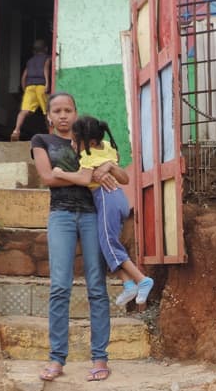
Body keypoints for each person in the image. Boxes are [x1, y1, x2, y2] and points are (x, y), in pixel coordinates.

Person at [28, 92, 112, 382]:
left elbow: (108, 168)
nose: (63, 115)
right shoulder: (41, 140)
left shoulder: (89, 139)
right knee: (60, 287)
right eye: (57, 111)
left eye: (68, 110)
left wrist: (100, 170)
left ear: (75, 113)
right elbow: (47, 178)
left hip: (92, 215)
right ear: (49, 116)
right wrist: (86, 176)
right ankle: (56, 359)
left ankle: (100, 358)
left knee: (97, 287)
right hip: (61, 215)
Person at [60, 114, 154, 307]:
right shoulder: (107, 147)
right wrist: (110, 164)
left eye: (76, 141)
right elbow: (123, 177)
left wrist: (60, 173)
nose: (72, 144)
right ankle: (128, 284)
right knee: (105, 245)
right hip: (118, 198)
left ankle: (142, 279)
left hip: (106, 199)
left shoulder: (88, 156)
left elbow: (83, 179)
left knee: (110, 244)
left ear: (91, 143)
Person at [10, 39, 51, 142]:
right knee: (47, 111)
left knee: (24, 111)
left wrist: (25, 89)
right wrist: (47, 84)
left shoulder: (29, 61)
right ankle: (51, 133)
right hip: (41, 85)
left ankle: (16, 130)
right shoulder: (47, 58)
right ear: (46, 49)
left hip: (30, 87)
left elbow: (24, 76)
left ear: (34, 51)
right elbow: (46, 69)